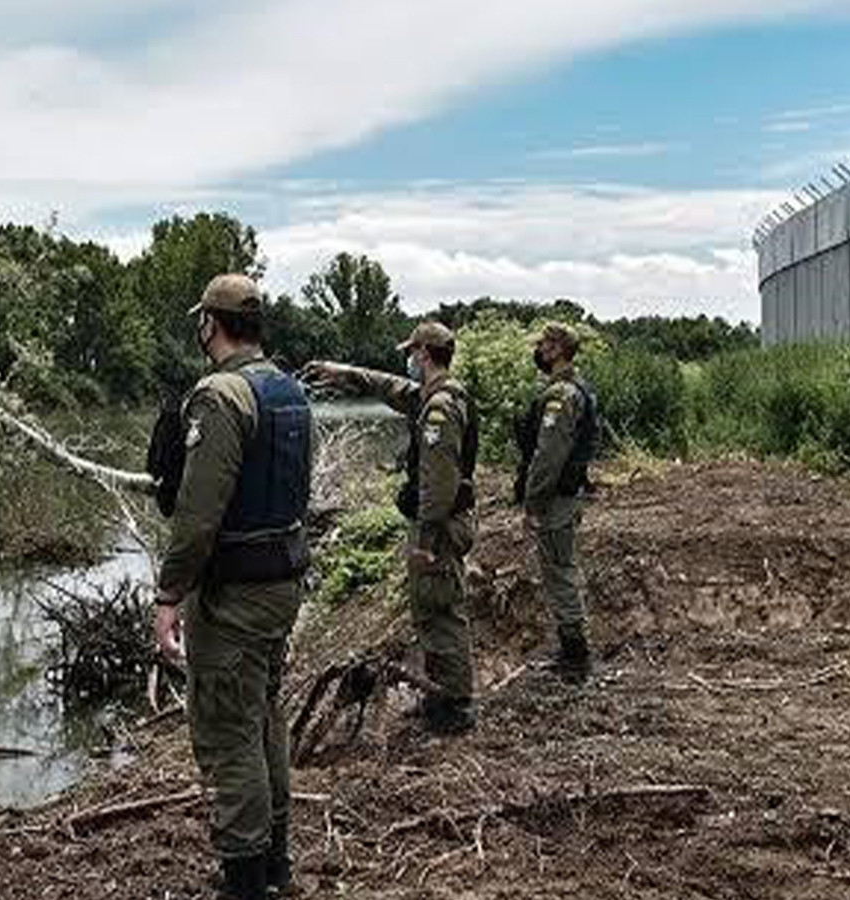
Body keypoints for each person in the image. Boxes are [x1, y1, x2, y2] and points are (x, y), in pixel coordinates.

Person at [151, 274, 313, 900]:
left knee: (226, 732)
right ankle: (274, 868)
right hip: (281, 583)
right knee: (264, 716)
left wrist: (169, 596)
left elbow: (197, 517)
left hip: (236, 596)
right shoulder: (288, 390)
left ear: (209, 325)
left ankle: (245, 880)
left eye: (201, 322)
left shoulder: (221, 395)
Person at [303, 322, 479, 734]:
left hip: (438, 527)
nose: (409, 361)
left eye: (412, 353)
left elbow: (438, 485)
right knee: (430, 607)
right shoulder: (431, 395)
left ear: (424, 354)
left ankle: (455, 705)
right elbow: (390, 387)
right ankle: (440, 694)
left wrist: (426, 539)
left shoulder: (439, 408)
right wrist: (343, 372)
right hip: (439, 523)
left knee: (441, 611)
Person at [513, 322, 599, 682]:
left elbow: (549, 456)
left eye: (545, 345)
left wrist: (532, 504)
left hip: (557, 500)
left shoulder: (561, 395)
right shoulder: (567, 389)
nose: (539, 350)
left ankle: (575, 657)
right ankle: (572, 649)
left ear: (560, 350)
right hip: (564, 495)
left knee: (560, 573)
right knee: (560, 569)